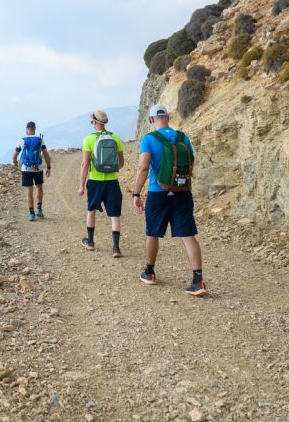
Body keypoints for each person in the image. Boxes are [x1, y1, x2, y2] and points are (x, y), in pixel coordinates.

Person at [132, 103, 206, 296]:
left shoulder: (149, 139)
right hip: (182, 192)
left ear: (151, 120)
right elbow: (191, 162)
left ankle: (150, 272)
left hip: (158, 193)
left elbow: (143, 168)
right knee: (188, 235)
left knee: (153, 233)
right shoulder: (183, 137)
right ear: (168, 118)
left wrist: (136, 193)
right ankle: (198, 281)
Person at [77, 110, 125, 257]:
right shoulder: (115, 138)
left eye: (92, 121)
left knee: (91, 210)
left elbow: (85, 164)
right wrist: (110, 169)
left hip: (95, 181)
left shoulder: (89, 139)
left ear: (95, 123)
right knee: (114, 214)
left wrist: (81, 186)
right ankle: (116, 248)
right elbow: (121, 163)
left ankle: (90, 242)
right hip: (112, 182)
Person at [12, 121, 52, 221]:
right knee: (39, 187)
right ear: (34, 129)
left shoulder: (22, 140)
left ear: (27, 130)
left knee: (29, 190)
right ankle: (39, 209)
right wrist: (48, 167)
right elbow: (46, 154)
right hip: (38, 168)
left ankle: (31, 214)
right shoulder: (40, 140)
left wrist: (15, 163)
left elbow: (15, 155)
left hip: (26, 169)